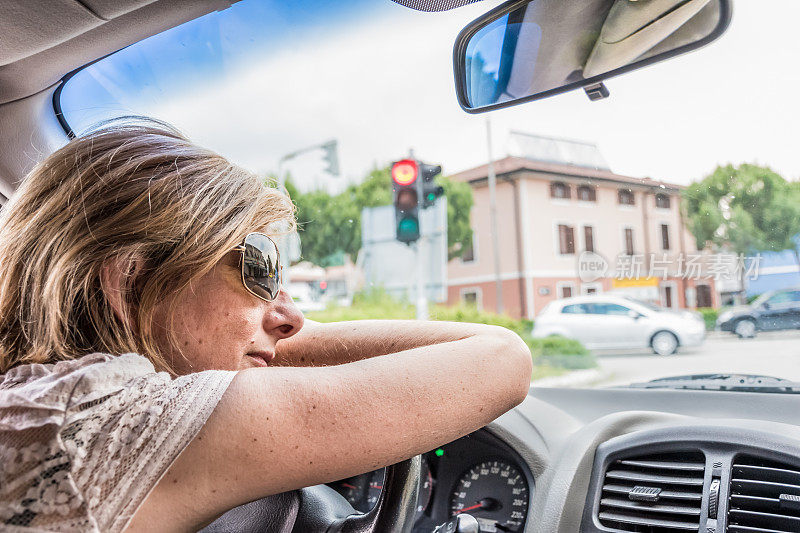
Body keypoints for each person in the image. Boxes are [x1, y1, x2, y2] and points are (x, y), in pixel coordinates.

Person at [0, 119, 532, 532]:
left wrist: (252, 328)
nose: (292, 316)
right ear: (133, 281)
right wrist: (287, 338)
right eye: (259, 269)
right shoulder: (103, 421)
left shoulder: (33, 401)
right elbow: (501, 358)